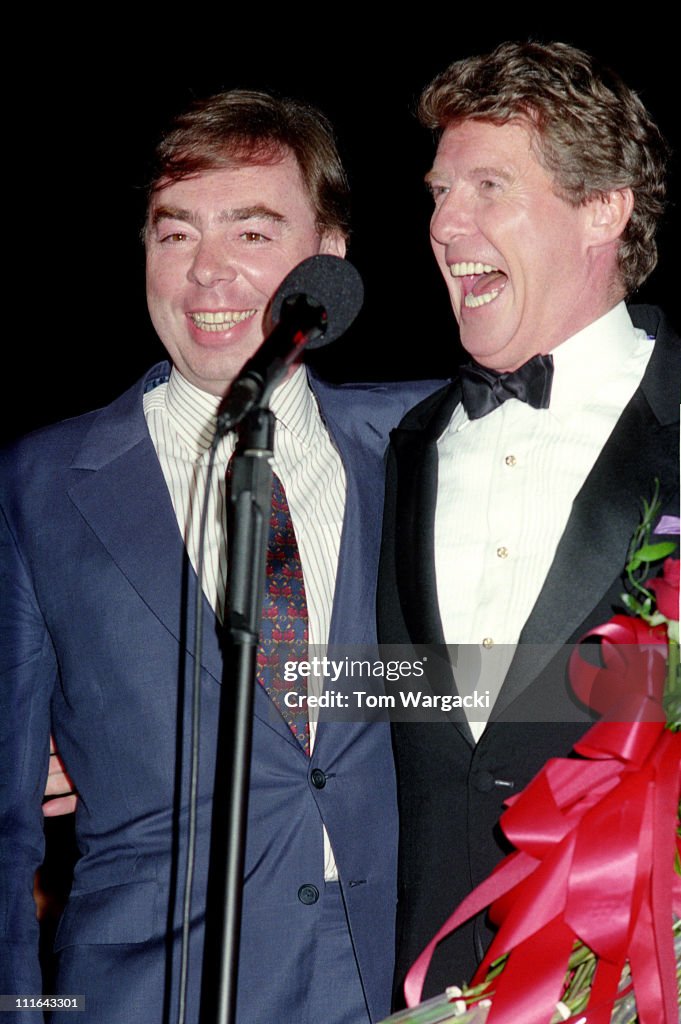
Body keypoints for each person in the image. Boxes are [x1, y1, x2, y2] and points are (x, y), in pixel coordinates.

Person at [0, 89, 437, 1024]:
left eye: (251, 233)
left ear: (329, 258)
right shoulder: (39, 483)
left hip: (402, 982)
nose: (207, 275)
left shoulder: (424, 438)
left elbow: (492, 682)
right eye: (174, 235)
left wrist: (631, 690)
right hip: (151, 995)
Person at [377, 41, 680, 1003]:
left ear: (603, 207)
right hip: (429, 978)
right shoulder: (412, 445)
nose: (443, 222)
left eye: (487, 187)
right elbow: (413, 696)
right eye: (437, 191)